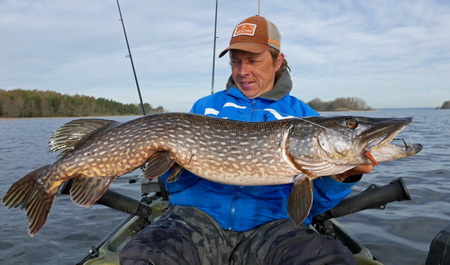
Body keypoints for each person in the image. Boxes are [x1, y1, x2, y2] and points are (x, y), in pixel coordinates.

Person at [120, 15, 374, 265]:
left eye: (253, 60)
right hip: (195, 220)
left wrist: (343, 176)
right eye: (236, 62)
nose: (243, 72)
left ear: (278, 61)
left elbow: (314, 205)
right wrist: (164, 163)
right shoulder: (206, 107)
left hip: (275, 227)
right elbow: (176, 186)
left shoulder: (305, 117)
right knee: (145, 256)